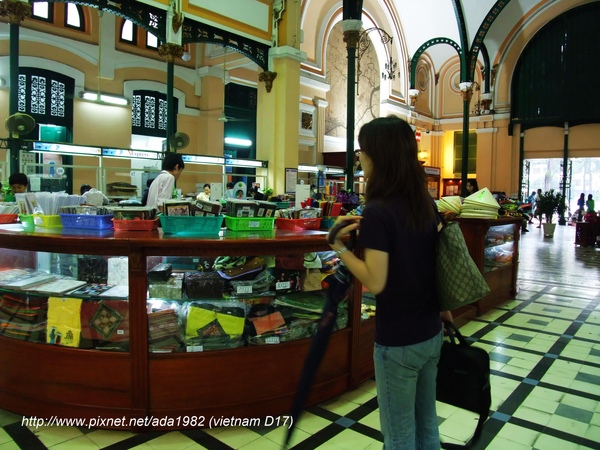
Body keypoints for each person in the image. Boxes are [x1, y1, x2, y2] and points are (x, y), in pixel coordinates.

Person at [327, 116, 444, 450]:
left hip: (399, 340)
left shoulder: (379, 211)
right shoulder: (424, 204)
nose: (360, 159)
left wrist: (336, 246)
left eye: (363, 151)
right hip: (430, 331)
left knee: (399, 436)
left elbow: (375, 281)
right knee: (427, 426)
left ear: (378, 155)